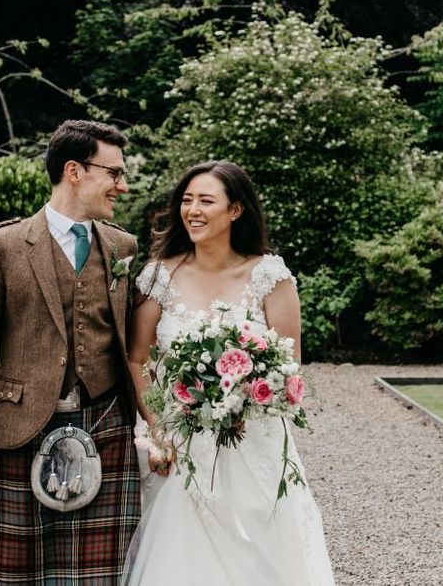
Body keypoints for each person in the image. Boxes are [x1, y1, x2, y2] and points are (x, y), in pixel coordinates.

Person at [0, 119, 141, 585]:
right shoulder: (1, 245)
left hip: (106, 425)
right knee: (12, 575)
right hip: (20, 430)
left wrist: (158, 423)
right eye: (113, 173)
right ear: (74, 170)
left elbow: (136, 348)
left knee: (100, 577)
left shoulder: (123, 246)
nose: (122, 186)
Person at [122, 160, 335, 585]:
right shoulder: (159, 275)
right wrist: (158, 427)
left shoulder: (269, 276)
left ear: (235, 210)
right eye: (186, 201)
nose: (193, 211)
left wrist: (244, 397)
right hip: (183, 446)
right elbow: (136, 358)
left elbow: (290, 369)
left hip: (256, 444)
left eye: (206, 201)